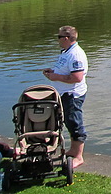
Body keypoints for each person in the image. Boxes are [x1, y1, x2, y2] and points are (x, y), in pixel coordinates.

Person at [42, 26, 88, 169]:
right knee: (67, 121)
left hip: (72, 95)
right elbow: (66, 70)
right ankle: (73, 150)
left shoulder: (76, 55)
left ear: (67, 38)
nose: (58, 40)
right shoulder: (66, 52)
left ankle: (79, 156)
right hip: (63, 94)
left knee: (74, 122)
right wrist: (53, 72)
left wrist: (56, 76)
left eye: (59, 37)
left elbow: (77, 77)